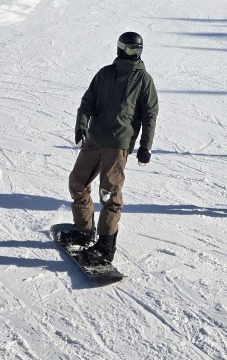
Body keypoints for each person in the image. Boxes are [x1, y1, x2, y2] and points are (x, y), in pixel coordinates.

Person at [61, 31, 159, 267]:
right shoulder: (104, 74)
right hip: (94, 139)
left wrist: (146, 146)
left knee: (109, 194)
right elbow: (88, 102)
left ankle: (106, 245)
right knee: (77, 182)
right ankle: (85, 231)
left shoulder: (143, 80)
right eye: (131, 50)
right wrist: (81, 125)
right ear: (120, 48)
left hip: (118, 143)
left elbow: (150, 115)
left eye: (138, 50)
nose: (134, 55)